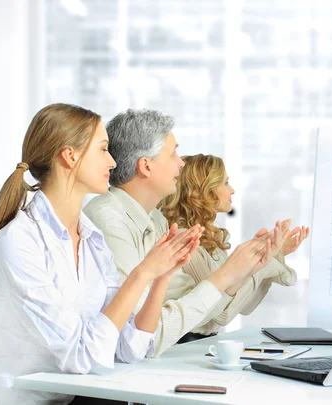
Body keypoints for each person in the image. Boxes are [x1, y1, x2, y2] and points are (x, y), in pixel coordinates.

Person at [0, 103, 249, 405]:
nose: (112, 161)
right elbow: (82, 356)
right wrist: (143, 273)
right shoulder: (19, 241)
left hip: (80, 397)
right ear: (70, 156)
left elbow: (130, 347)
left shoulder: (90, 237)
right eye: (103, 149)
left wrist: (161, 276)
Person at [84, 109, 285, 354]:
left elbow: (189, 307)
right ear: (146, 166)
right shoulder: (109, 221)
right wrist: (224, 276)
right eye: (173, 153)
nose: (181, 162)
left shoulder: (154, 219)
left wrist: (237, 274)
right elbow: (142, 337)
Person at [158, 154, 309, 335]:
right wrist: (260, 262)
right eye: (225, 183)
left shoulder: (210, 241)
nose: (232, 190)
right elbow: (221, 314)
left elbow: (244, 306)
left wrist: (271, 254)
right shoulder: (187, 242)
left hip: (202, 344)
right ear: (206, 190)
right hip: (185, 347)